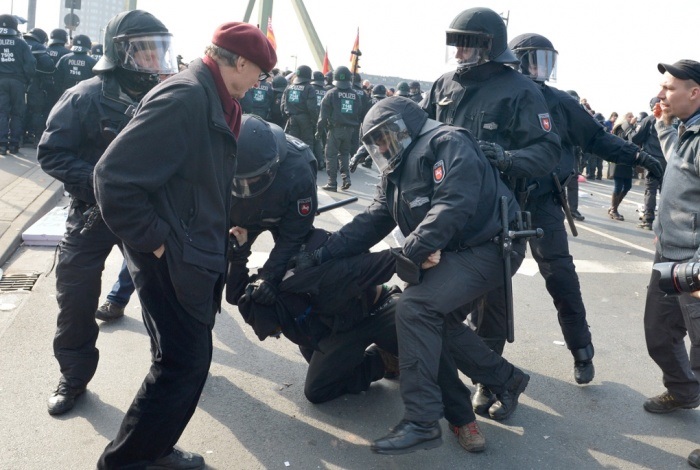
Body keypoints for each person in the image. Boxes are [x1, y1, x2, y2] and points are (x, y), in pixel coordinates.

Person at [93, 21, 276, 468]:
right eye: (261, 73)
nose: (260, 83)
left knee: (179, 359)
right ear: (240, 61)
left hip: (190, 249)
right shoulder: (187, 96)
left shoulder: (216, 97)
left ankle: (153, 447)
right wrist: (159, 244)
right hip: (172, 256)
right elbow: (111, 178)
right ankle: (128, 460)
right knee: (184, 364)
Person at [318, 96, 529, 455]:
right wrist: (322, 252)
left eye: (385, 136)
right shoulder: (396, 169)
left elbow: (453, 203)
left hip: (490, 247)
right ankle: (506, 379)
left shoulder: (448, 142)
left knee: (414, 307)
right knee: (430, 318)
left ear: (404, 126)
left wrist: (410, 253)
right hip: (454, 249)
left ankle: (421, 420)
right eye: (376, 141)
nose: (382, 146)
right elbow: (372, 221)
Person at [37, 10, 178, 419]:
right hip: (92, 213)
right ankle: (74, 377)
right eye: (145, 50)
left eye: (159, 49)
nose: (155, 59)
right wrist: (101, 181)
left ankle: (172, 373)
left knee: (164, 296)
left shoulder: (168, 96)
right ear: (121, 52)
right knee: (76, 296)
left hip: (144, 215)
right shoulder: (85, 95)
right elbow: (51, 153)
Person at [421, 7, 561, 414]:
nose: (461, 50)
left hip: (496, 217)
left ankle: (489, 381)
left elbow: (548, 150)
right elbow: (422, 132)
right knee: (428, 294)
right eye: (456, 42)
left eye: (469, 42)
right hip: (445, 208)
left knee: (490, 304)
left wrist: (506, 157)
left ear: (490, 45)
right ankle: (426, 359)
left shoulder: (520, 90)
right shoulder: (443, 84)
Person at [507, 32, 663, 390]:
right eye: (531, 60)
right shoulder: (499, 95)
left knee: (562, 279)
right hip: (503, 204)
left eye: (544, 61)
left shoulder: (559, 102)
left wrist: (638, 156)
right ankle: (485, 363)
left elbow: (597, 139)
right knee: (489, 283)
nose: (538, 69)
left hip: (545, 204)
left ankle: (581, 350)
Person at [638, 59, 700, 470]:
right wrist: (663, 123)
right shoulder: (683, 132)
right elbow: (675, 163)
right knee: (660, 333)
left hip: (696, 265)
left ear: (694, 92)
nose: (661, 95)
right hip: (669, 257)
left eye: (669, 88)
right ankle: (683, 391)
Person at [225, 114, 318, 308]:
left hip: (283, 218)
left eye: (252, 179)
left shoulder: (299, 172)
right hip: (241, 220)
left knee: (293, 274)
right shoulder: (220, 160)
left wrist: (268, 278)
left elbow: (292, 237)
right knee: (233, 293)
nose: (246, 187)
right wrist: (238, 252)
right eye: (240, 182)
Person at [316, 65, 364, 191]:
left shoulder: (331, 93)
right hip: (349, 131)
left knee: (331, 155)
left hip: (335, 130)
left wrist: (319, 131)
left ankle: (332, 183)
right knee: (344, 154)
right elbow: (359, 113)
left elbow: (323, 116)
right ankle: (346, 178)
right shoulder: (355, 95)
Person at [0, 14, 35, 155]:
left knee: (1, 112)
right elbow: (31, 64)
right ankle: (14, 144)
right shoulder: (21, 43)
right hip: (18, 82)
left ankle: (1, 144)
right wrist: (27, 81)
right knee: (17, 113)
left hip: (0, 81)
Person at [629, 97, 666, 230]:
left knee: (650, 189)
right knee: (665, 191)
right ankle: (665, 220)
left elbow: (635, 137)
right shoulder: (673, 118)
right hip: (668, 158)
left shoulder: (649, 119)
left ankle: (648, 219)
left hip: (652, 159)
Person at [22, 28, 54, 146]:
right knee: (37, 111)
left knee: (18, 111)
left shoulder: (21, 42)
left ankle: (19, 137)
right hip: (34, 83)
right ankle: (35, 137)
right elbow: (48, 65)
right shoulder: (39, 47)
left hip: (18, 82)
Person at [282, 64, 316, 147]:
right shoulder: (309, 88)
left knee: (292, 142)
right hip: (306, 119)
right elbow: (311, 107)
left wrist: (287, 116)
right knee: (307, 143)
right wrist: (314, 120)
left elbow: (283, 105)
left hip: (292, 118)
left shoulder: (289, 87)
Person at [310, 70, 327, 169]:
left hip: (311, 118)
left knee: (310, 141)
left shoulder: (310, 89)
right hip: (323, 118)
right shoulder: (326, 91)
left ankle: (312, 162)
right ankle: (320, 161)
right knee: (318, 140)